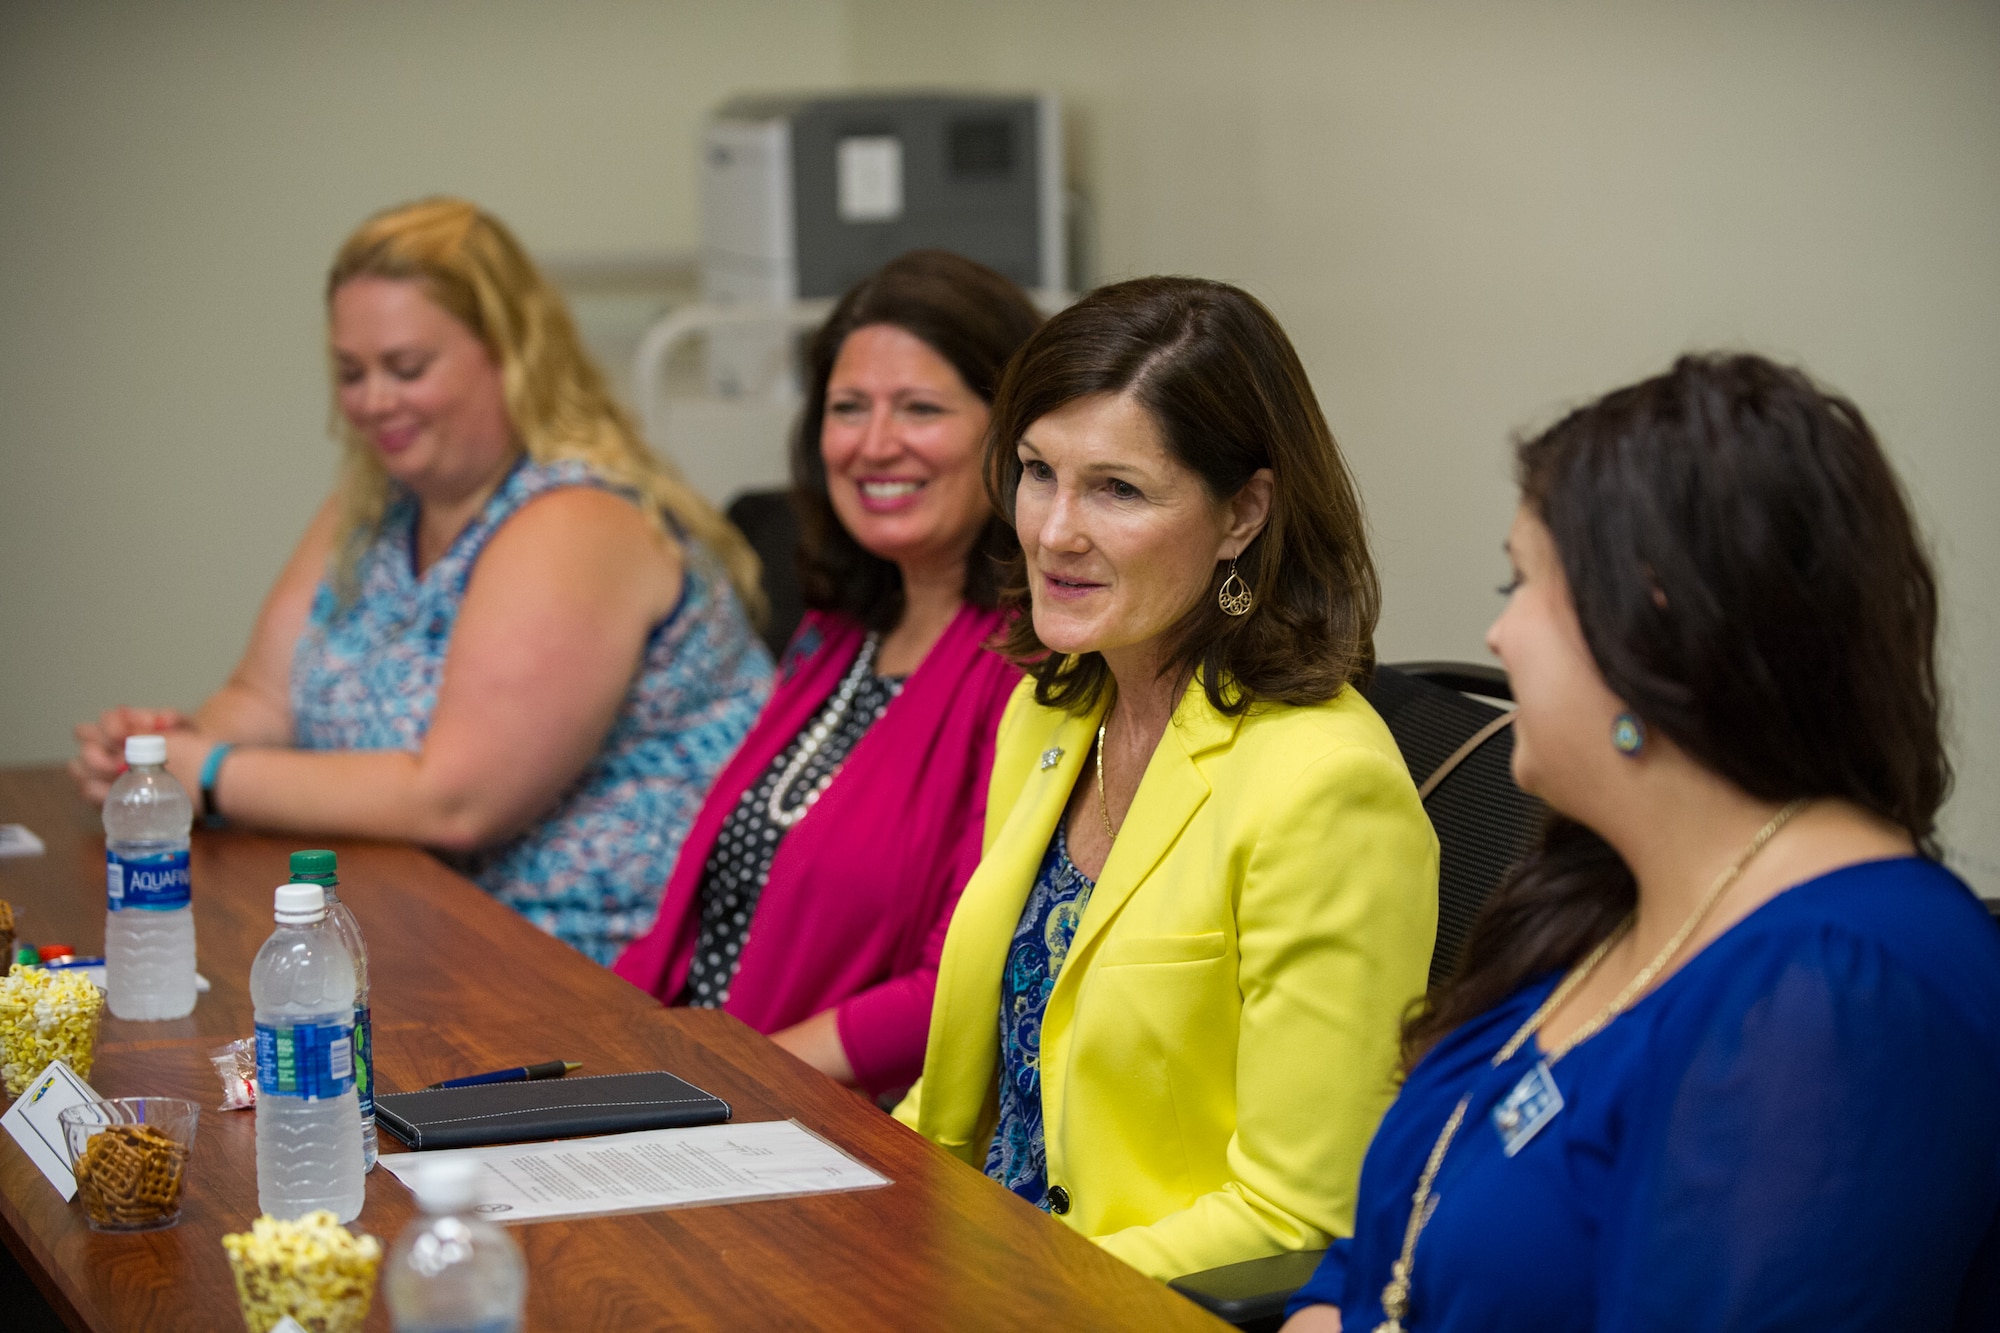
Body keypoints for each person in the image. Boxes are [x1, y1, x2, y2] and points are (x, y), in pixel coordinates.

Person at [1284, 354, 2000, 1333]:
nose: (1495, 635)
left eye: (1520, 580)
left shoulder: (1841, 987)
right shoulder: (1607, 893)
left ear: (1649, 618)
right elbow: (1383, 1249)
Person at [893, 276, 1440, 1280]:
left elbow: (1294, 1212)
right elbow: (959, 1104)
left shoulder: (1324, 786)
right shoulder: (1049, 711)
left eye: (1116, 489)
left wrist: (1010, 1296)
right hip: (967, 1268)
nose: (1054, 531)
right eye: (1035, 472)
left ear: (1242, 513)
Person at [70, 198, 772, 965]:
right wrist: (156, 761)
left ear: (510, 353)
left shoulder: (577, 519)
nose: (374, 400)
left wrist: (206, 772)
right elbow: (264, 698)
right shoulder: (374, 506)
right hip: (412, 926)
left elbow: (455, 800)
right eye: (351, 372)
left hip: (583, 966)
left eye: (407, 368)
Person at [613, 251, 1041, 1095]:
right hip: (698, 1079)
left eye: (920, 407)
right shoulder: (837, 630)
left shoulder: (1029, 662)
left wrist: (711, 1077)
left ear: (1014, 432)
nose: (874, 444)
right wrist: (605, 1052)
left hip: (821, 1122)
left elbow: (955, 980)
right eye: (848, 408)